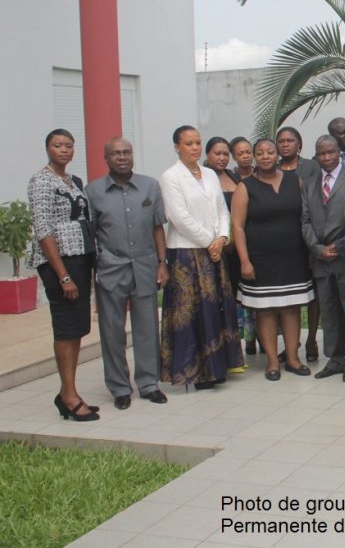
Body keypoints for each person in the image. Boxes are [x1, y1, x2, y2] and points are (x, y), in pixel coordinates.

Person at [87, 138, 169, 409]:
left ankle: (148, 384)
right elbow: (91, 234)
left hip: (145, 267)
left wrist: (162, 263)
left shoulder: (150, 186)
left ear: (132, 156)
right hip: (111, 269)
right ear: (106, 159)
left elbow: (158, 228)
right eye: (115, 153)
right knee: (112, 331)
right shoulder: (93, 192)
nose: (122, 157)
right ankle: (120, 387)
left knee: (147, 328)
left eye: (126, 152)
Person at [159, 125, 244, 389]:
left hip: (214, 251)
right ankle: (192, 371)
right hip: (186, 253)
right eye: (188, 143)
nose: (194, 148)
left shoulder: (209, 174)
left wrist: (221, 238)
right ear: (177, 147)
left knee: (215, 309)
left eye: (197, 143)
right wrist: (210, 241)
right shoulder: (170, 177)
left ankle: (216, 368)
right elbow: (178, 216)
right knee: (192, 312)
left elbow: (222, 210)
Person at [29, 129, 99, 421]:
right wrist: (63, 276)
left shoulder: (72, 180)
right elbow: (43, 229)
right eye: (58, 145)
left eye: (69, 146)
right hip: (60, 264)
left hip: (80, 260)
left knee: (77, 328)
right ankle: (69, 397)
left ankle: (67, 391)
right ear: (48, 148)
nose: (64, 150)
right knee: (65, 327)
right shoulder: (41, 181)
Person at [231, 139, 315, 381]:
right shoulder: (245, 187)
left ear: (278, 154)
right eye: (260, 153)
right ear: (255, 157)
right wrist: (245, 261)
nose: (265, 156)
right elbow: (237, 226)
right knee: (265, 311)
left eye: (270, 151)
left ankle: (292, 358)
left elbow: (305, 217)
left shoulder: (294, 180)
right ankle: (271, 361)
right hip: (260, 260)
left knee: (291, 308)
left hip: (294, 257)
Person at [301, 135, 345, 381]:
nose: (326, 158)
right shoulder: (310, 182)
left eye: (330, 152)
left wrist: (339, 245)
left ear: (339, 152)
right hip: (320, 259)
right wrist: (316, 248)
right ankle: (334, 359)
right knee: (329, 312)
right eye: (321, 154)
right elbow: (304, 219)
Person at [277, 126, 320, 362]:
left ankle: (312, 338)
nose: (285, 145)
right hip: (283, 243)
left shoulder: (311, 167)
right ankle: (290, 344)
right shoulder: (269, 168)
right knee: (288, 296)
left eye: (290, 140)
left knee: (314, 296)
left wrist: (314, 244)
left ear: (299, 144)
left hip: (309, 238)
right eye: (281, 141)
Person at [213, 137, 256, 356]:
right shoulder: (206, 178)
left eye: (224, 154)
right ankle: (223, 345)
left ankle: (247, 340)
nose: (222, 158)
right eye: (217, 153)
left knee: (242, 296)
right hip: (216, 248)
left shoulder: (234, 176)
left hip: (239, 246)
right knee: (222, 297)